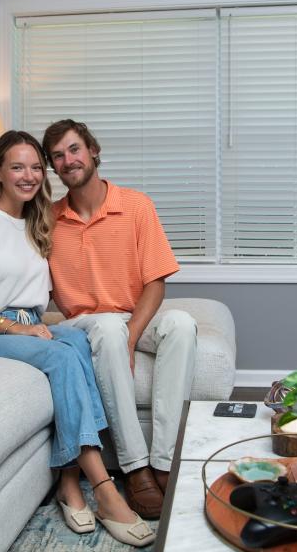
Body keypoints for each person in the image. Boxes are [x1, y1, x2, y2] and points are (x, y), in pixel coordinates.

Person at [0, 130, 154, 547]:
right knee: (61, 356)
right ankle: (105, 489)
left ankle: (68, 484)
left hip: (30, 323)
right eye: (17, 167)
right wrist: (14, 328)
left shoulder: (36, 222)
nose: (29, 175)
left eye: (36, 167)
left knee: (75, 343)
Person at [41, 120, 198, 520]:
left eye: (74, 149)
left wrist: (131, 337)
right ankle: (135, 468)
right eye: (58, 156)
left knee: (181, 324)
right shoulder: (47, 221)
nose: (68, 160)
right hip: (83, 322)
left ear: (93, 151)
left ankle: (164, 462)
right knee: (108, 328)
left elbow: (156, 282)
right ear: (53, 168)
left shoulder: (136, 205)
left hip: (128, 314)